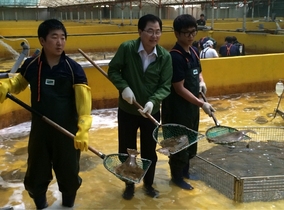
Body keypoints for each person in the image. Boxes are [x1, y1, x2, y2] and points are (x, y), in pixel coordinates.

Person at [0, 19, 92, 209]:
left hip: (66, 133)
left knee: (69, 175)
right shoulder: (32, 64)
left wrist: (83, 128)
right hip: (40, 132)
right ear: (42, 40)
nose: (60, 42)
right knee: (36, 175)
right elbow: (18, 83)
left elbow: (84, 103)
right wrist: (5, 85)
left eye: (63, 38)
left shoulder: (73, 69)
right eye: (54, 37)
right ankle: (41, 206)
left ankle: (68, 206)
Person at [107, 14, 172, 200]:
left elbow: (165, 85)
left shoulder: (164, 57)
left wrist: (153, 101)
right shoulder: (127, 48)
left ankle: (149, 184)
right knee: (127, 150)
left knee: (149, 150)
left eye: (158, 31)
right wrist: (124, 87)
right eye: (150, 31)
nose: (154, 35)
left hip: (151, 113)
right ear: (140, 32)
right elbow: (113, 70)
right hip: (128, 110)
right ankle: (129, 184)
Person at [161, 14, 215, 190]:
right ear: (177, 34)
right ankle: (176, 178)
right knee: (178, 143)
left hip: (191, 107)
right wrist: (202, 104)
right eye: (186, 33)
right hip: (176, 109)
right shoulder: (174, 57)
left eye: (194, 32)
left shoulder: (193, 51)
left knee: (191, 140)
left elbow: (198, 70)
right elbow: (179, 88)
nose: (191, 36)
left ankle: (185, 172)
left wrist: (201, 82)